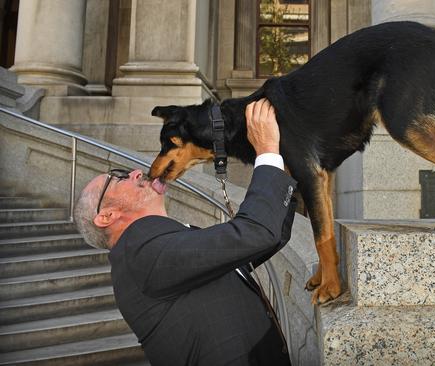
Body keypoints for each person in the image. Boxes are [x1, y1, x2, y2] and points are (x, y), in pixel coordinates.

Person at [73, 99, 297, 366]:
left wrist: (286, 168)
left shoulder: (159, 248)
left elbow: (263, 240)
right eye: (119, 177)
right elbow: (255, 233)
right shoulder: (140, 253)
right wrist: (267, 151)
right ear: (106, 216)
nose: (135, 172)